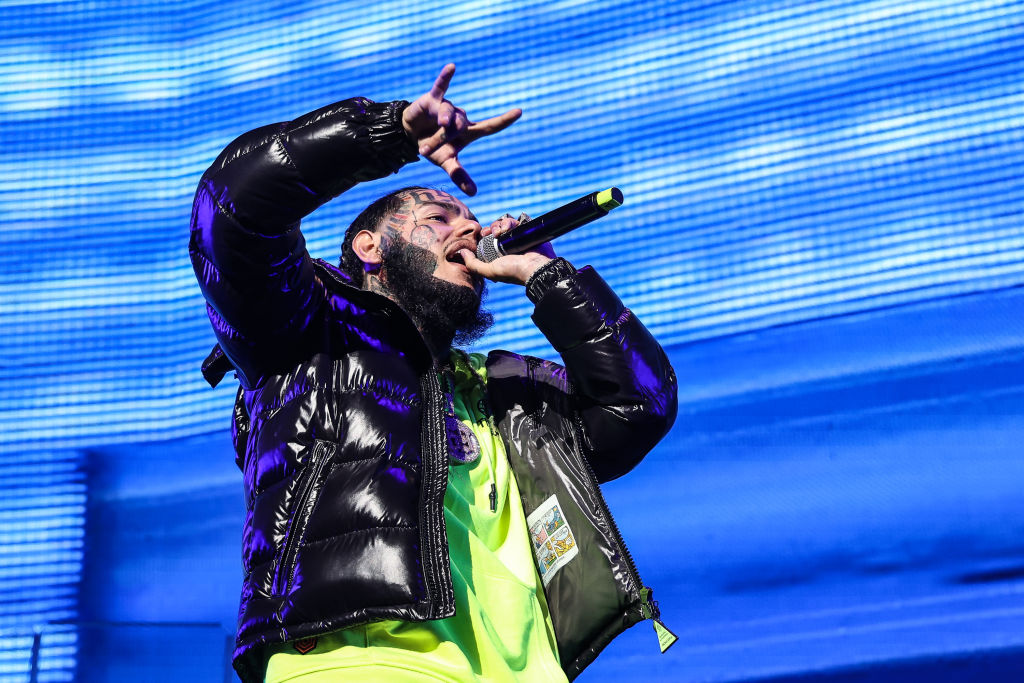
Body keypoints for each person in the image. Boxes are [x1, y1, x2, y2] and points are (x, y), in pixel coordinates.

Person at [190, 64, 678, 683]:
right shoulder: (308, 336)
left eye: (469, 219)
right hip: (366, 662)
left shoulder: (503, 393)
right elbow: (231, 209)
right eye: (440, 217)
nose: (470, 228)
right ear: (370, 247)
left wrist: (547, 276)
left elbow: (639, 406)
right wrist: (390, 132)